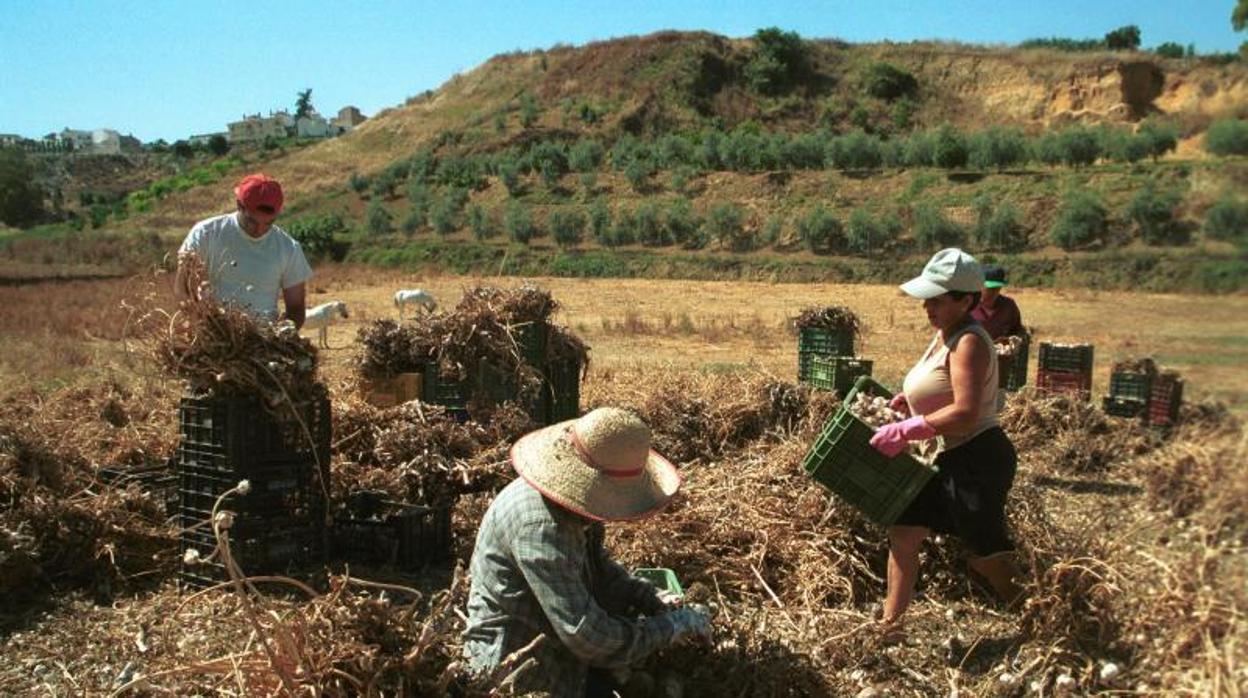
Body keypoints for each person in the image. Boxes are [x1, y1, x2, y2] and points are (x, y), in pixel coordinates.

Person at [464, 407, 712, 697]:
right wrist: (671, 627)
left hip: (559, 644)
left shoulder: (578, 507)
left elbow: (599, 569)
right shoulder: (542, 527)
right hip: (519, 670)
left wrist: (650, 598)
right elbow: (587, 636)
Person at [868, 248, 1023, 639]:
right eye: (927, 299)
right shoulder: (943, 336)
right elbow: (941, 390)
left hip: (977, 459)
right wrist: (911, 403)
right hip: (948, 455)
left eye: (937, 299)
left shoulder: (969, 341)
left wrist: (907, 430)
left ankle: (1038, 612)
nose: (927, 307)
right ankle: (891, 627)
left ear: (966, 300)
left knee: (984, 554)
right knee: (904, 531)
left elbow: (967, 412)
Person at [175, 174, 312, 328]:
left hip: (263, 340)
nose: (259, 230)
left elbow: (296, 307)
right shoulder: (206, 233)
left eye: (268, 223)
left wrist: (282, 333)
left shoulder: (288, 248)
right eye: (251, 221)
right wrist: (202, 324)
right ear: (239, 205)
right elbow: (183, 288)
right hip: (210, 331)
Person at [971, 264, 1024, 340]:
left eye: (997, 288)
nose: (993, 293)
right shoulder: (967, 306)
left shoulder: (1008, 306)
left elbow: (1017, 331)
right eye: (989, 288)